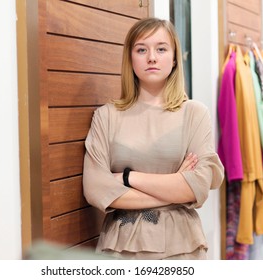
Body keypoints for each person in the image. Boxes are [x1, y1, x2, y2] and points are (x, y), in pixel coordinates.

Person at [82, 17, 224, 260]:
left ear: (175, 57)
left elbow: (199, 185)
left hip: (182, 244)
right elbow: (96, 189)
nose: (152, 57)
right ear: (130, 58)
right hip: (121, 244)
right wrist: (176, 184)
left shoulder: (194, 113)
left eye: (161, 48)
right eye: (141, 49)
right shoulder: (106, 116)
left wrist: (128, 178)